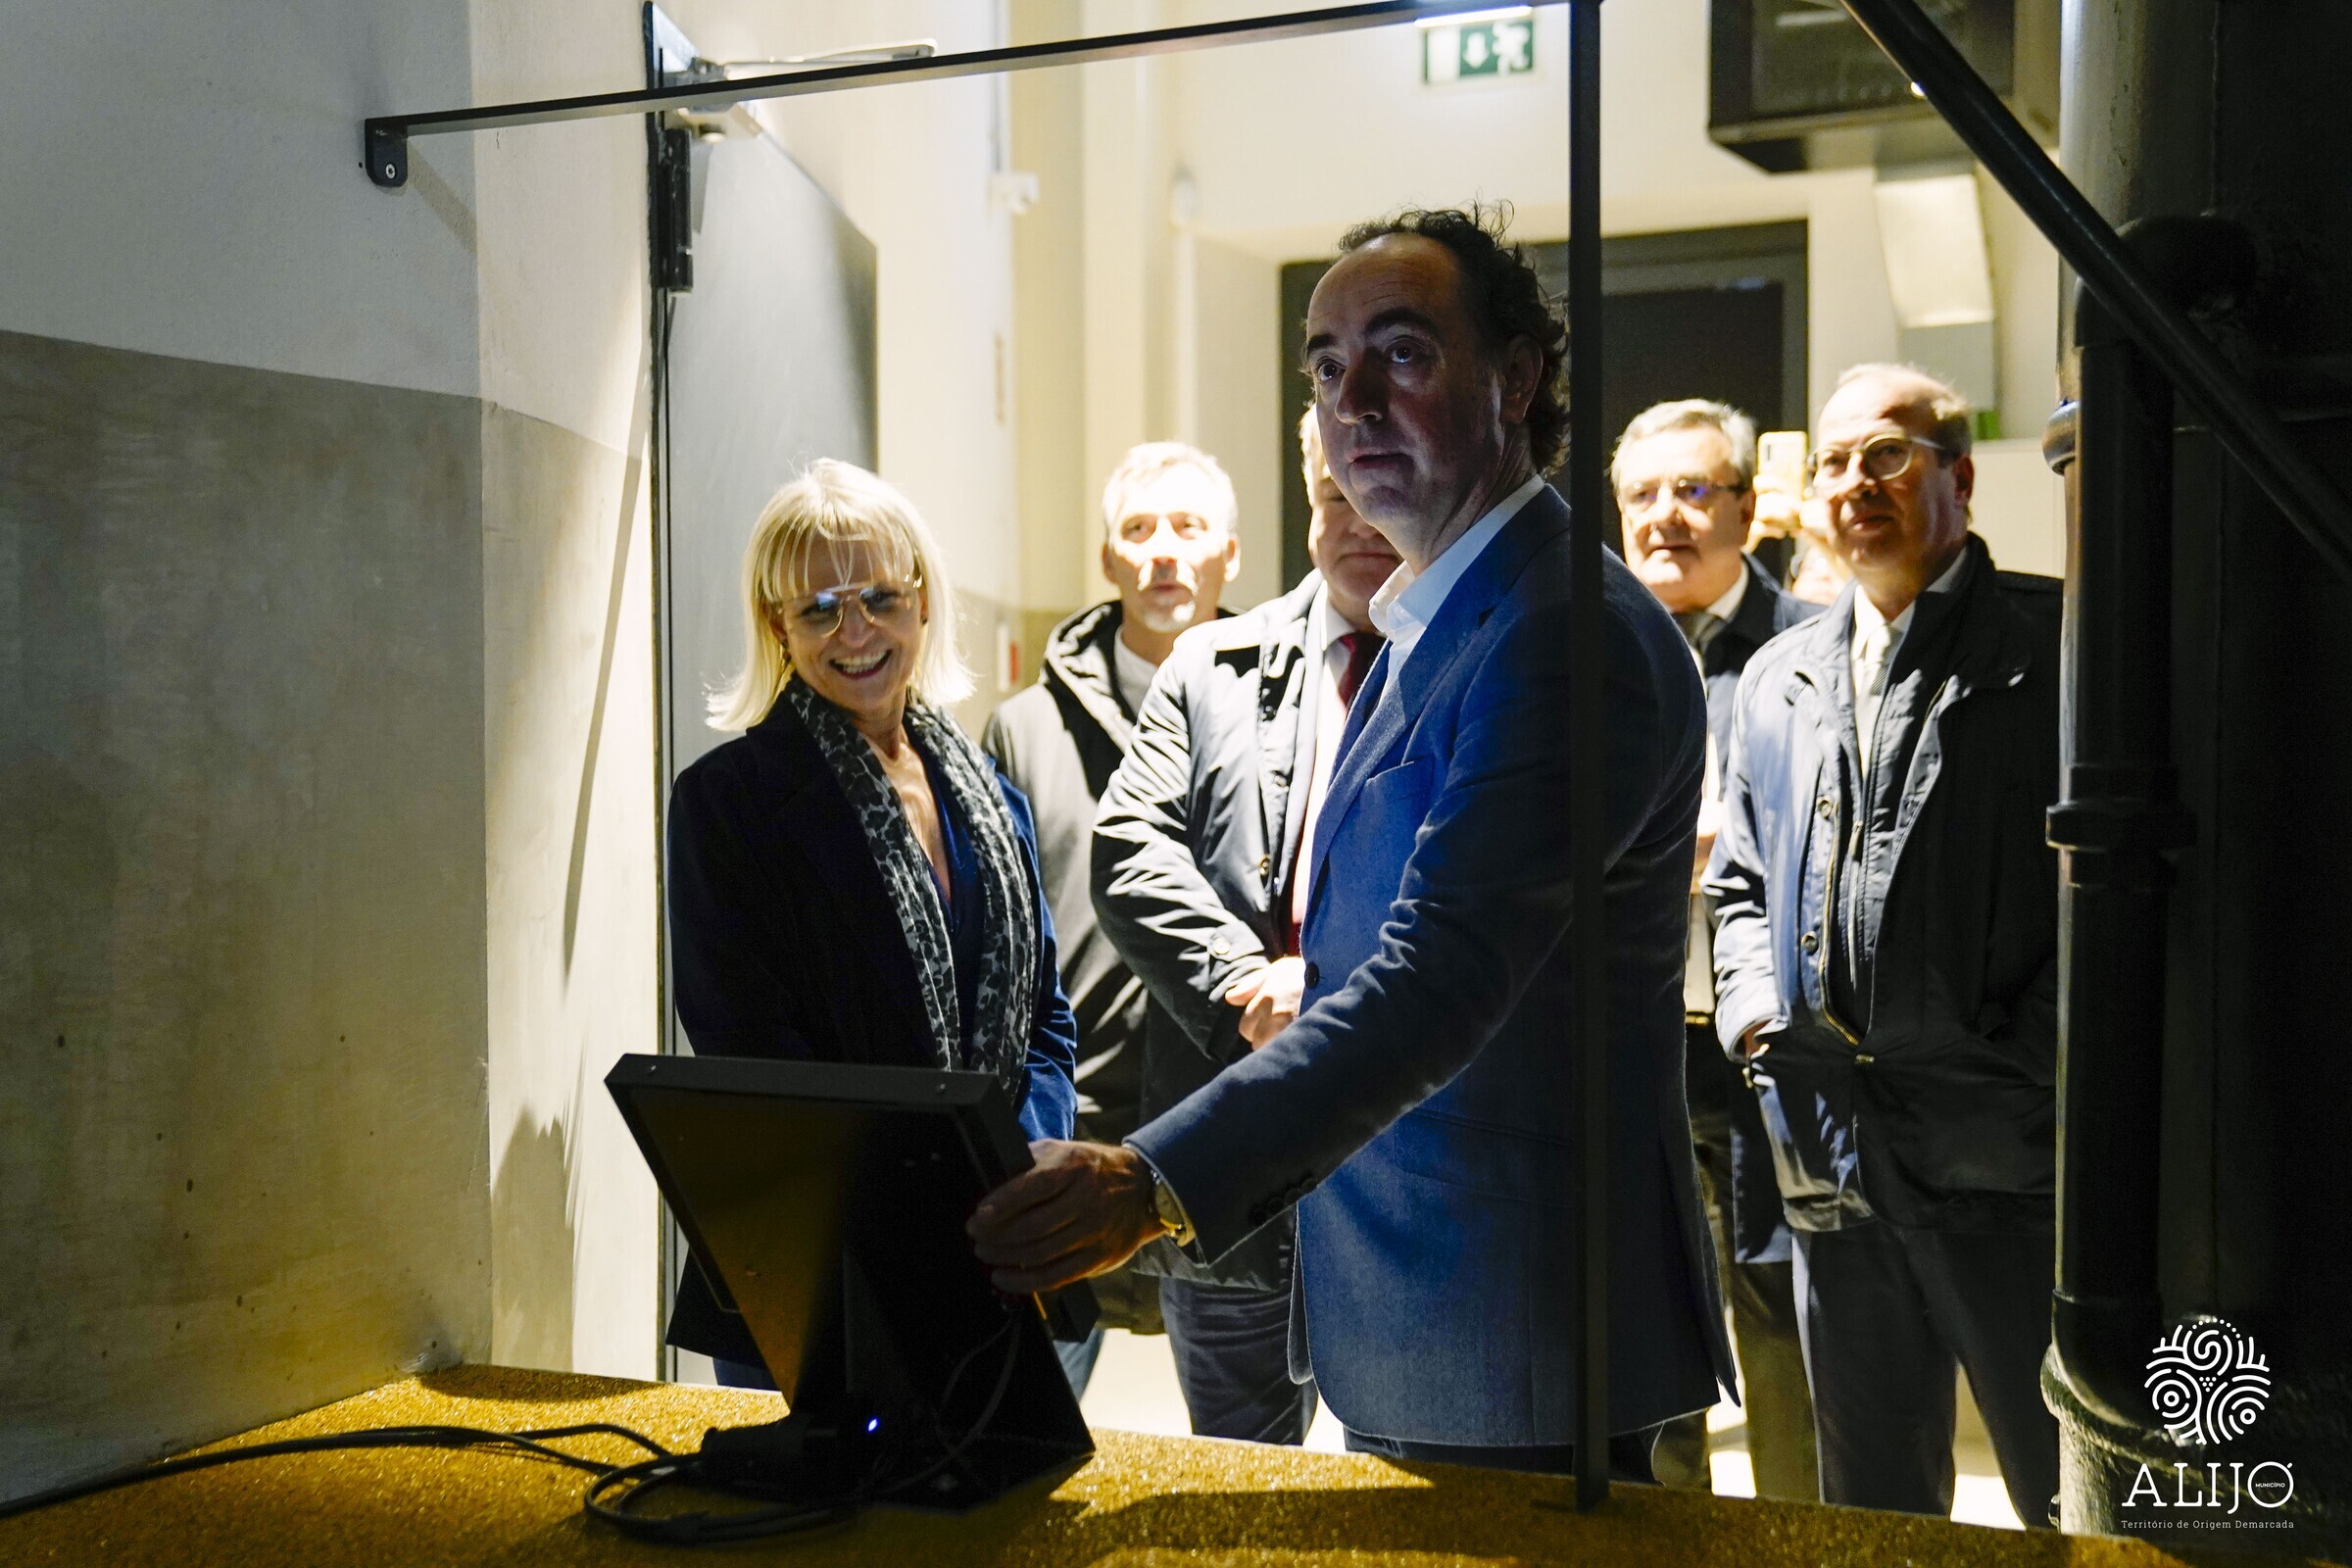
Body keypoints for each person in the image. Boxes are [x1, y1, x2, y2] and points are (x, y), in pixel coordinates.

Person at [970, 206, 1734, 1479]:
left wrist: (1150, 1182)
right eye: (1327, 368)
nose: (1354, 401)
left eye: (1403, 353)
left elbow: (1438, 977)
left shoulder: (1561, 629)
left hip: (1516, 1325)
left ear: (1517, 378)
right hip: (1422, 1308)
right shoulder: (1439, 614)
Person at [1707, 364, 2063, 1522]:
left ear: (1961, 478)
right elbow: (1739, 883)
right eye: (1836, 461)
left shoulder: (2058, 647)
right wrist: (1756, 1019)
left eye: (1890, 455)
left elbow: (2120, 900)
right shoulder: (1781, 674)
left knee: (2066, 1497)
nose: (1858, 481)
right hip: (1831, 1161)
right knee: (1872, 1517)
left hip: (2006, 1162)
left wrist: (2033, 1054)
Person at [663, 460, 1078, 1387]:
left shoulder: (990, 795)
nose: (855, 633)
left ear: (922, 602)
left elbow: (1046, 1021)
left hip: (989, 1254)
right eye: (819, 609)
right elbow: (753, 1058)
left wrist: (1020, 1164)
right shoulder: (727, 805)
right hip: (821, 1272)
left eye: (880, 598)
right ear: (778, 626)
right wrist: (939, 1196)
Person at [1089, 409, 1400, 1444]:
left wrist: (1330, 993)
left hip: (1408, 1165)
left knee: (1408, 1488)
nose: (1359, 522)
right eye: (1334, 497)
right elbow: (1128, 849)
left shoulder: (1480, 659)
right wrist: (1243, 981)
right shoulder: (1210, 665)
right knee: (1236, 1479)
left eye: (1380, 496)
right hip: (1230, 1152)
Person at [982, 441, 1243, 1391]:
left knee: (1247, 1449)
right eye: (1139, 528)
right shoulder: (1024, 728)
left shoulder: (1280, 713)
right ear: (1107, 559)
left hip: (1229, 1132)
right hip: (1066, 1124)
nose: (1164, 549)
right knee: (1027, 1424)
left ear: (1230, 554)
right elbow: (998, 942)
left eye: (1188, 526)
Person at [1612, 399, 1821, 1500]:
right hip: (1629, 1036)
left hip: (1766, 1042)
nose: (1667, 516)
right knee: (1650, 1324)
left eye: (1694, 490)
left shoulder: (1811, 645)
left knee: (1781, 1317)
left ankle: (1794, 1540)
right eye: (1643, 494)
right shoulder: (1589, 649)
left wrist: (1733, 839)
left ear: (1746, 507)